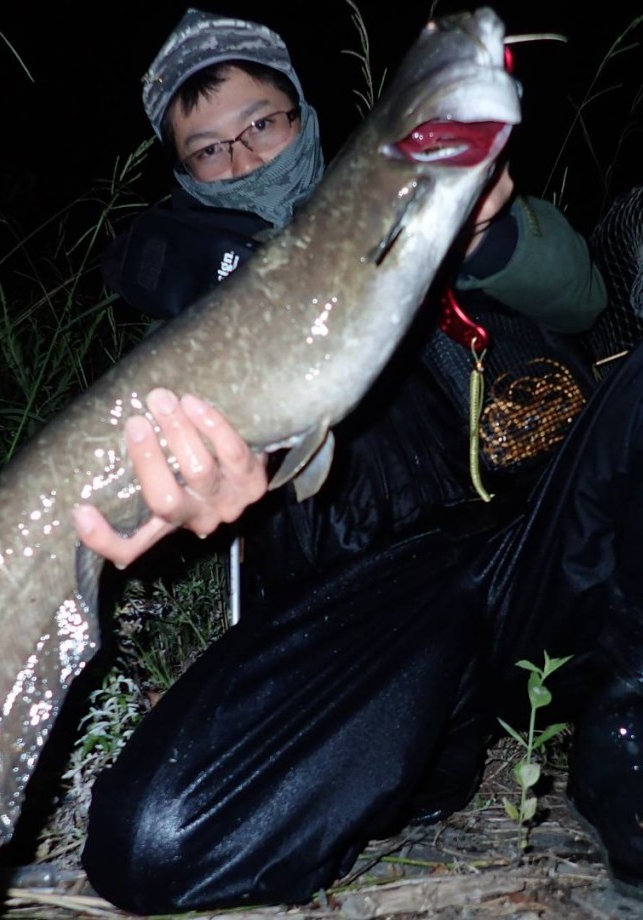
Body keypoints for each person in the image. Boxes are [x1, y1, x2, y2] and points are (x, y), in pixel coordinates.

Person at [69, 9, 643, 914]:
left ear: (304, 115)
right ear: (183, 175)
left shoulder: (406, 184)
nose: (243, 157)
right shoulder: (188, 291)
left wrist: (481, 227)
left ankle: (628, 783)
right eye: (209, 149)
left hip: (547, 553)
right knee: (153, 839)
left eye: (261, 123)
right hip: (379, 613)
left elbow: (579, 292)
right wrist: (188, 489)